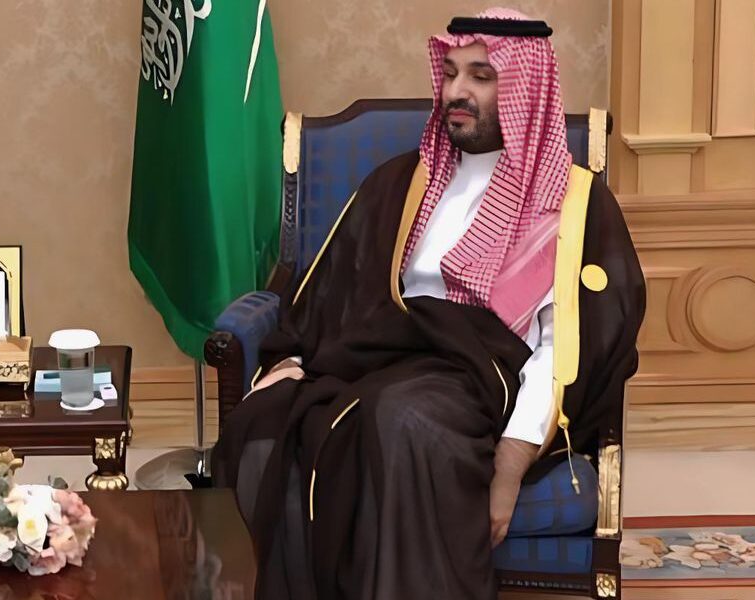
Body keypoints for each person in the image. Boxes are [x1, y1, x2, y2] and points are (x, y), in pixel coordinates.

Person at [212, 9, 645, 599]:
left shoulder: (571, 206)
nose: (456, 92)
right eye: (450, 73)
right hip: (375, 359)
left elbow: (561, 352)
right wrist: (292, 359)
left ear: (525, 87)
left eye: (480, 76)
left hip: (477, 378)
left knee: (401, 417)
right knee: (265, 423)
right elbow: (334, 293)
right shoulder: (400, 182)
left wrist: (510, 465)